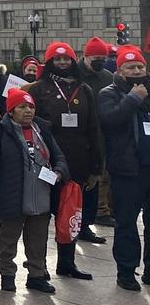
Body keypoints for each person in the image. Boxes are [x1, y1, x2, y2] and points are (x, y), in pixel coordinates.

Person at [0, 88, 69, 294]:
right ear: (11, 111)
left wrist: (58, 172)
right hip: (12, 195)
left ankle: (36, 275)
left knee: (38, 239)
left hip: (41, 195)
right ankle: (8, 275)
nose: (28, 111)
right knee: (8, 238)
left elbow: (60, 157)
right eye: (22, 107)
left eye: (31, 107)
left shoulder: (43, 129)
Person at [27, 42, 104, 279]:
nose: (63, 63)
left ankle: (67, 263)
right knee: (40, 218)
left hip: (77, 163)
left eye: (67, 59)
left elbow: (94, 129)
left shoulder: (84, 90)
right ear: (49, 63)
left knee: (70, 214)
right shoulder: (38, 89)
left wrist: (96, 167)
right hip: (46, 162)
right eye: (57, 60)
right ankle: (38, 268)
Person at [97, 47, 150, 291]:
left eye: (140, 66)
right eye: (131, 67)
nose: (137, 71)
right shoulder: (110, 93)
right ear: (120, 71)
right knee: (127, 223)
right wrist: (133, 98)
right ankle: (126, 271)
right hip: (128, 169)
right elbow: (110, 120)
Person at [79, 37, 116, 228]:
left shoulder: (108, 77)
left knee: (103, 175)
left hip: (103, 131)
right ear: (86, 57)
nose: (100, 61)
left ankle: (98, 213)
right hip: (81, 134)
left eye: (104, 57)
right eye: (96, 57)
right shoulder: (75, 74)